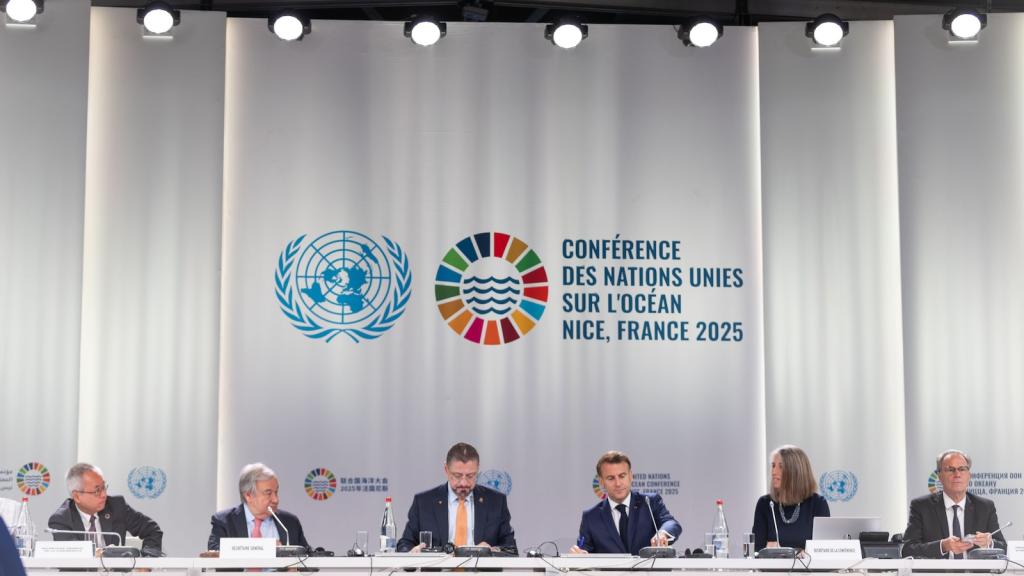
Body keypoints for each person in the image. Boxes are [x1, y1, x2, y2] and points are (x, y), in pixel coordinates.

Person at [396, 442, 517, 554]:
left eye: (470, 476)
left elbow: (511, 549)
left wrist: (491, 551)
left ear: (478, 469)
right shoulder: (424, 502)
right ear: (446, 470)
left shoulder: (496, 502)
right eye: (457, 476)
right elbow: (404, 544)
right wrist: (412, 552)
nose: (464, 483)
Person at [569, 450, 681, 555]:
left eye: (622, 476)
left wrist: (662, 533)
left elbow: (671, 523)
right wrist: (579, 554)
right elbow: (583, 551)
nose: (618, 483)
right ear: (602, 482)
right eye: (611, 478)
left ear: (631, 476)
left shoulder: (650, 502)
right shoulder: (591, 517)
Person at [901, 449, 1006, 558]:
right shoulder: (922, 507)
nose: (957, 474)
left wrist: (989, 543)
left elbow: (1003, 547)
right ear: (939, 476)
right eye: (950, 470)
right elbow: (908, 550)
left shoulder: (985, 507)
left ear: (969, 475)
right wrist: (943, 546)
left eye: (962, 469)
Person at [48, 463, 163, 557]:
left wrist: (146, 562)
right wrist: (103, 554)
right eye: (97, 490)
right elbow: (74, 556)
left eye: (104, 487)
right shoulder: (61, 520)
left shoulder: (117, 506)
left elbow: (152, 530)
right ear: (77, 496)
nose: (104, 494)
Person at [208, 463, 310, 551]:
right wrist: (265, 548)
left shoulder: (290, 522)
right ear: (248, 495)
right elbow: (214, 552)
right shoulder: (224, 521)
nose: (276, 500)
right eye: (268, 493)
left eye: (276, 492)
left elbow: (307, 556)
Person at [751, 445, 829, 551]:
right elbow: (756, 551)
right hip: (772, 567)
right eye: (773, 466)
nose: (774, 472)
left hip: (808, 568)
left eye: (781, 467)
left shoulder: (818, 504)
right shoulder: (765, 503)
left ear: (796, 472)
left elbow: (823, 550)